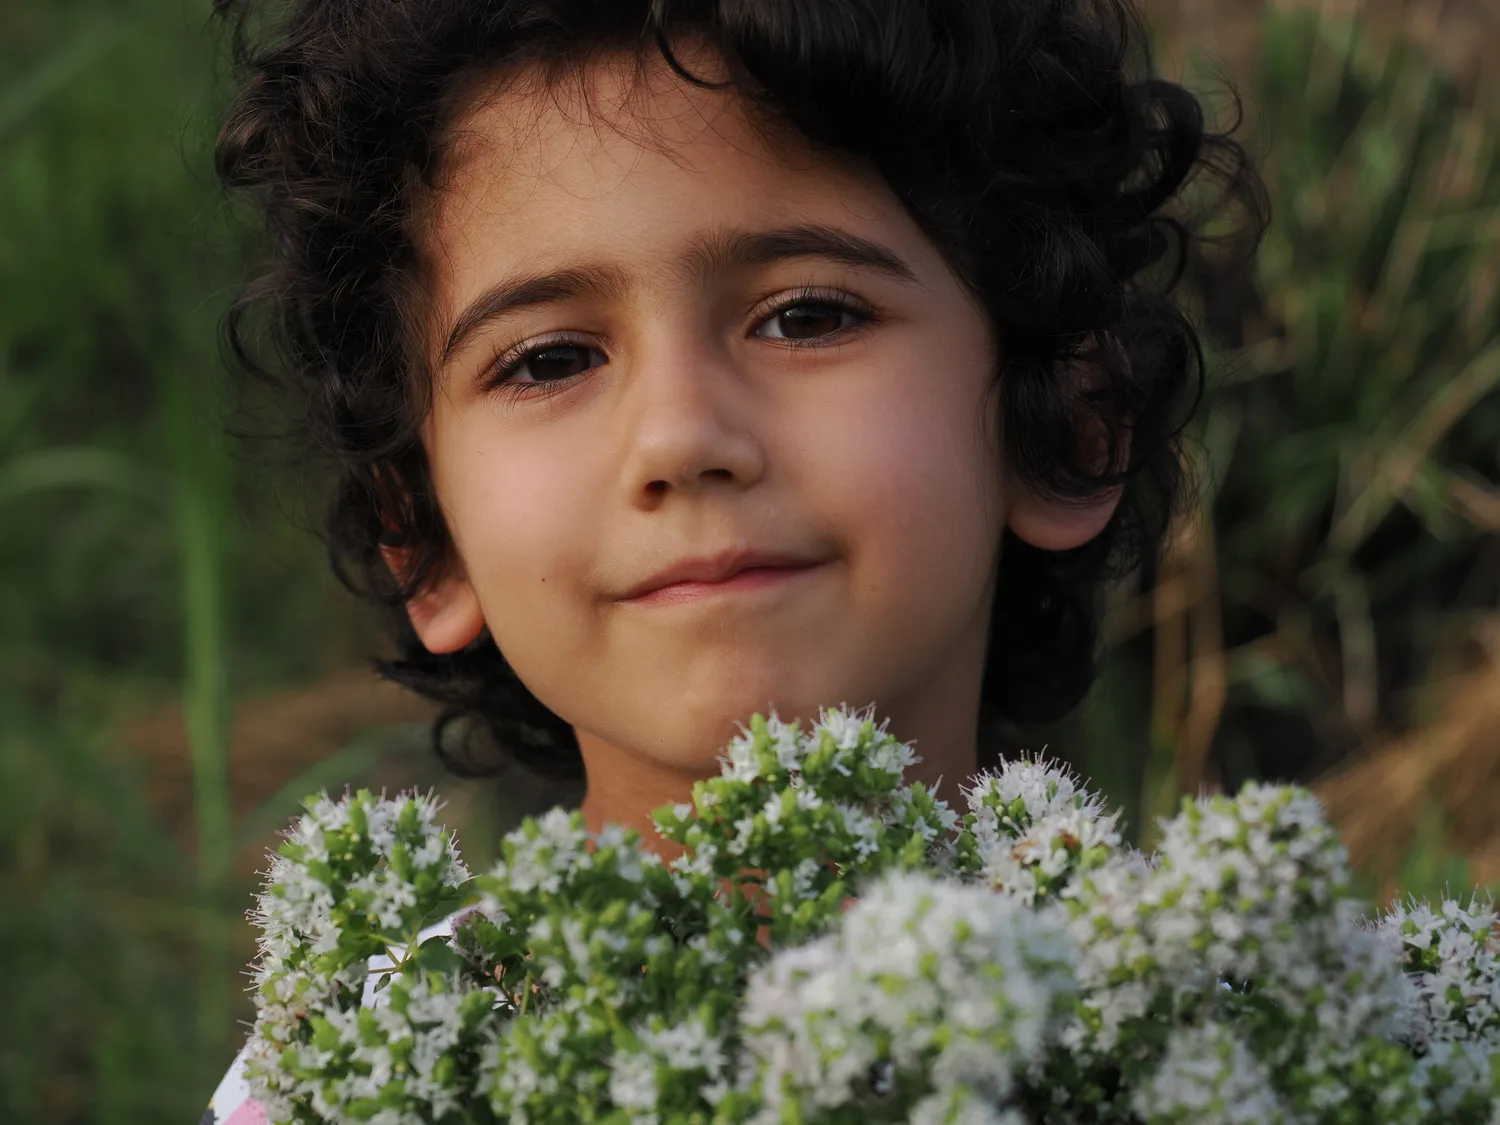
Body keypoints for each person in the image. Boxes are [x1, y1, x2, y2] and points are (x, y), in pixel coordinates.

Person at [202, 0, 1268, 1118]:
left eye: (806, 316)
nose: (679, 437)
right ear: (422, 533)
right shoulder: (351, 1075)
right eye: (549, 359)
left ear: (1072, 421)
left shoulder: (1215, 1048)